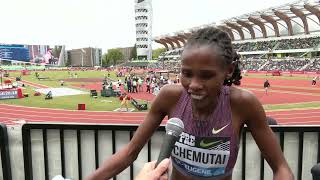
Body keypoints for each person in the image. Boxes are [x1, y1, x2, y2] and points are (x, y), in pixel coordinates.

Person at [87, 27, 293, 180]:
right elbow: (129, 152)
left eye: (206, 76)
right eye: (186, 74)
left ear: (228, 70)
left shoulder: (243, 103)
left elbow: (281, 168)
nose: (193, 85)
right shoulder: (170, 96)